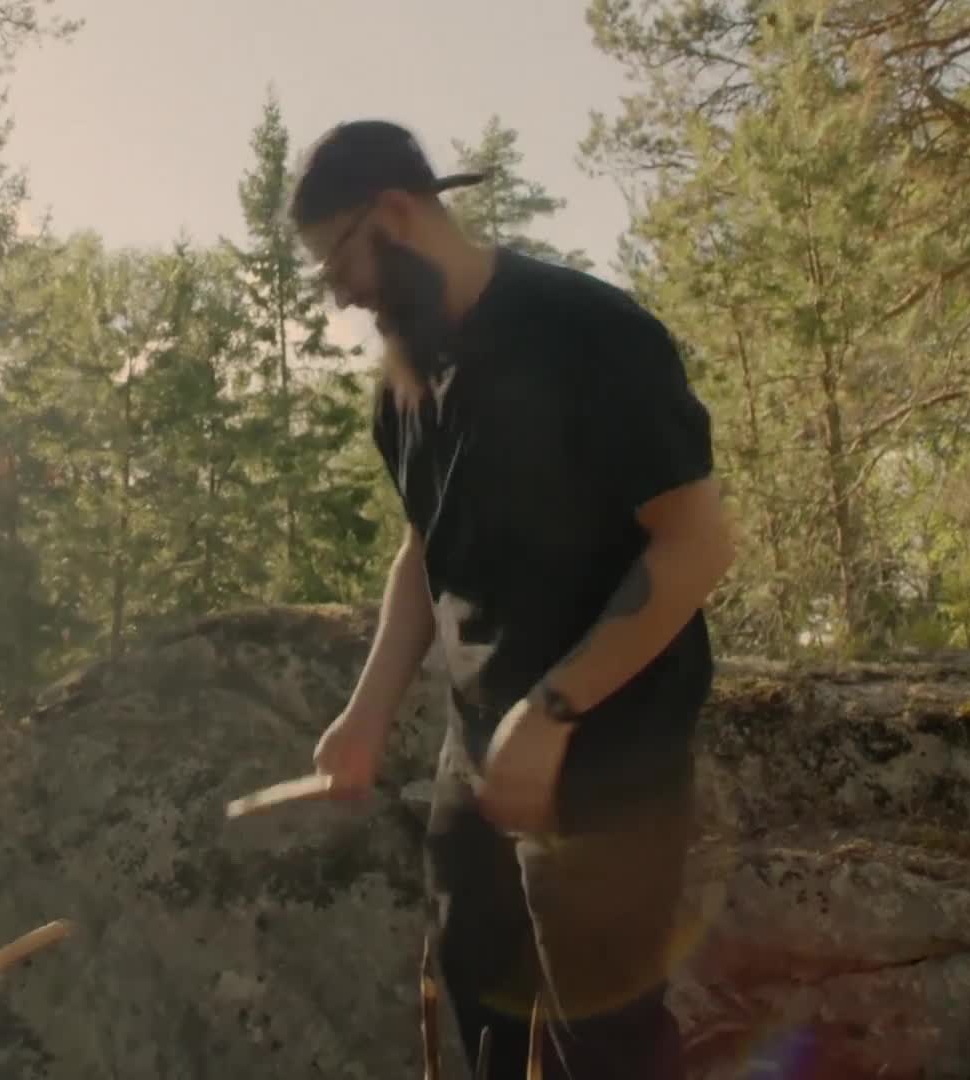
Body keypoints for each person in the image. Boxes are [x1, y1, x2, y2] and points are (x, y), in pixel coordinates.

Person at [290, 121, 736, 1078]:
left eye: (339, 264)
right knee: (487, 1021)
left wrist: (554, 710)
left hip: (613, 760)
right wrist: (366, 711)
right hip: (478, 754)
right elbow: (424, 549)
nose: (343, 295)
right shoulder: (402, 387)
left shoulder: (590, 334)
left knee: (601, 1048)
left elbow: (698, 543)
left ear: (399, 213)